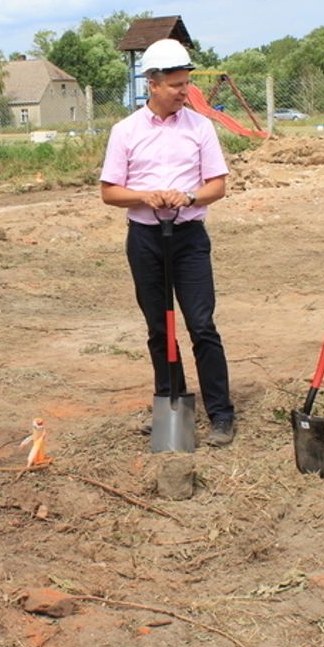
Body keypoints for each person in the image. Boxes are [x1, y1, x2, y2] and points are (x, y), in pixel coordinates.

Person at [100, 38, 236, 446]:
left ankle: (221, 414)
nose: (184, 91)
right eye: (176, 84)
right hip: (144, 237)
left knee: (201, 324)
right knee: (159, 327)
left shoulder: (200, 128)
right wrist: (145, 196)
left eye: (186, 83)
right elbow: (109, 192)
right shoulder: (125, 131)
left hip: (189, 237)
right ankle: (170, 401)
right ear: (153, 83)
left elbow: (218, 185)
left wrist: (189, 196)